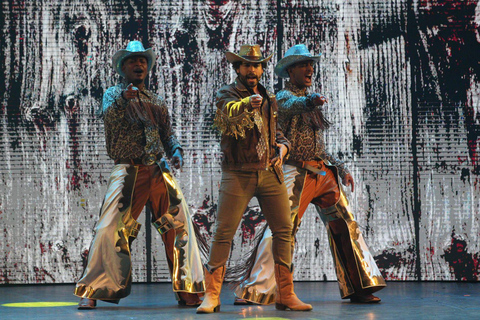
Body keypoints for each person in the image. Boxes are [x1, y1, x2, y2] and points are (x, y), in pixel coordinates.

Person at [233, 44, 386, 305]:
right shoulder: (283, 98)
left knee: (345, 223)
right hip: (297, 171)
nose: (310, 69)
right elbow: (294, 105)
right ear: (291, 70)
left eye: (311, 65)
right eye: (304, 65)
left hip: (322, 172)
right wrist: (310, 101)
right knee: (283, 228)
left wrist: (341, 168)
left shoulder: (309, 100)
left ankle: (359, 284)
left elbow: (319, 147)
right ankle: (255, 289)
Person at [74, 41, 205, 309]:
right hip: (128, 170)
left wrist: (176, 151)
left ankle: (188, 287)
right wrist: (124, 100)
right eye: (133, 61)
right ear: (123, 67)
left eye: (143, 61)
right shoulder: (113, 94)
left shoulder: (155, 100)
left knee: (179, 224)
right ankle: (94, 289)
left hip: (157, 169)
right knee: (110, 227)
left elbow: (167, 134)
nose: (139, 65)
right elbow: (110, 119)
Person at [196, 44, 312, 313]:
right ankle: (211, 295)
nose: (252, 70)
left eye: (257, 65)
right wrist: (247, 104)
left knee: (284, 231)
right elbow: (226, 114)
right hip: (239, 173)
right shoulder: (228, 93)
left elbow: (276, 133)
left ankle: (285, 293)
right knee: (224, 233)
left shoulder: (268, 97)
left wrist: (283, 149)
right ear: (238, 68)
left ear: (261, 69)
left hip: (269, 172)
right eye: (247, 65)